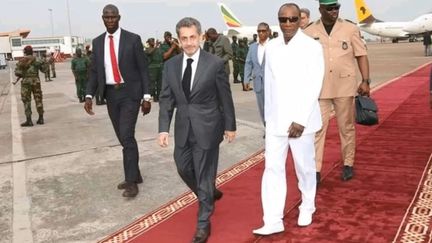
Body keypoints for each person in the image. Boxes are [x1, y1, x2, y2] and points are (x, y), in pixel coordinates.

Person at [158, 17, 236, 243]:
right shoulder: (170, 66)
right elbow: (166, 99)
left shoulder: (214, 64)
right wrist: (163, 129)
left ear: (200, 37)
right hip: (183, 127)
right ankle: (209, 193)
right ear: (179, 40)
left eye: (193, 37)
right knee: (183, 167)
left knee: (203, 175)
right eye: (184, 38)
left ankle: (203, 223)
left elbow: (225, 97)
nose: (189, 42)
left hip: (208, 127)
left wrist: (230, 126)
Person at [253, 3, 324, 235]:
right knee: (272, 168)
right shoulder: (271, 47)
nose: (288, 24)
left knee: (304, 167)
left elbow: (314, 85)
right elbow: (270, 87)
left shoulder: (312, 47)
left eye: (292, 19)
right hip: (275, 122)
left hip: (300, 122)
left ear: (300, 20)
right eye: (283, 20)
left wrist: (301, 120)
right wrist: (268, 119)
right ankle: (273, 219)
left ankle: (308, 205)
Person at [84, 4, 152, 198]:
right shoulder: (97, 43)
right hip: (111, 95)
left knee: (127, 135)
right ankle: (136, 174)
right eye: (107, 17)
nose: (110, 20)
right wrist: (89, 95)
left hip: (130, 94)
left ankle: (131, 182)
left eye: (113, 17)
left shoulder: (133, 39)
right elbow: (95, 72)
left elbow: (143, 70)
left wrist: (146, 97)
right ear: (102, 19)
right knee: (123, 138)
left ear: (119, 18)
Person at [304, 0, 370, 183]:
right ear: (321, 10)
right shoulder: (309, 32)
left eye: (337, 7)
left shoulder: (350, 29)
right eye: (330, 8)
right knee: (317, 129)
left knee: (346, 127)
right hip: (320, 88)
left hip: (344, 86)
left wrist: (365, 80)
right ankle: (315, 170)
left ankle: (348, 164)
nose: (334, 11)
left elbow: (361, 54)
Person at [244, 22, 271, 126]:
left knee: (273, 108)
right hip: (258, 83)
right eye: (259, 31)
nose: (261, 33)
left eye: (263, 31)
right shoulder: (252, 47)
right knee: (262, 108)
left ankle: (272, 129)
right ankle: (267, 129)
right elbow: (248, 63)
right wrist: (246, 79)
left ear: (268, 32)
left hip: (272, 83)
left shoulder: (274, 45)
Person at [14, 45, 47, 126]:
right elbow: (44, 70)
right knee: (38, 99)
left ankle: (29, 120)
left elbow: (17, 73)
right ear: (32, 52)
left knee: (26, 101)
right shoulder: (37, 60)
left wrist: (24, 72)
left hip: (26, 82)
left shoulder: (22, 61)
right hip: (36, 81)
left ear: (25, 52)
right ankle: (41, 118)